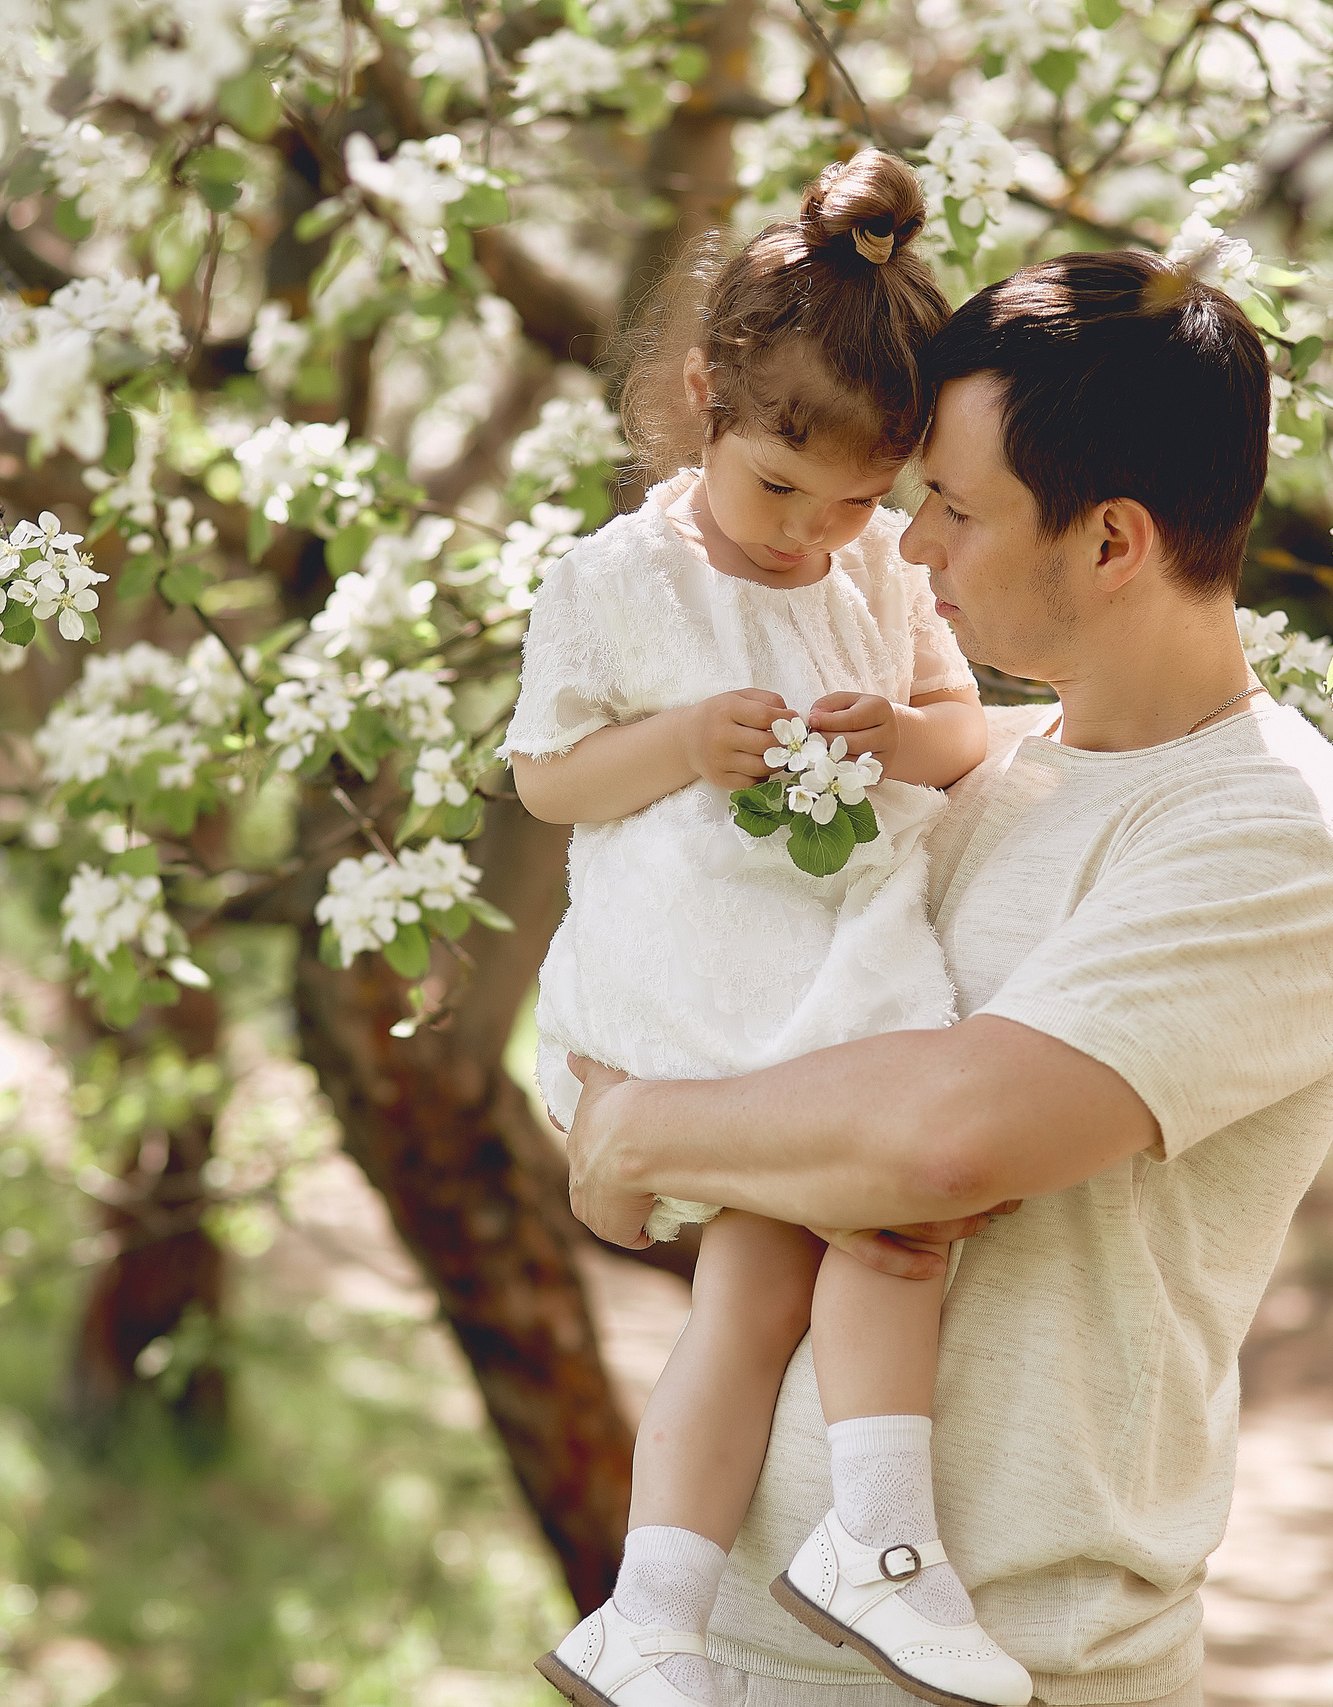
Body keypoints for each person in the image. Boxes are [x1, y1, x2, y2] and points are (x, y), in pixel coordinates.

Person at [559, 251, 1333, 1707]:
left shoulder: (1276, 836)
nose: (906, 543)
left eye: (951, 502)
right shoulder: (968, 772)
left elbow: (941, 1137)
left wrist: (637, 1127)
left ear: (1114, 539)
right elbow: (698, 994)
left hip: (1012, 1655)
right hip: (744, 1640)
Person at [509, 153, 1027, 1707]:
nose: (816, 531)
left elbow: (962, 728)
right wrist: (680, 741)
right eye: (779, 488)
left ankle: (655, 1613)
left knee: (790, 1273)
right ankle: (872, 1547)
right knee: (882, 1225)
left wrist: (898, 730)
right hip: (698, 978)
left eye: (864, 497)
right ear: (702, 402)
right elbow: (546, 780)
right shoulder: (613, 579)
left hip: (846, 956)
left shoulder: (873, 565)